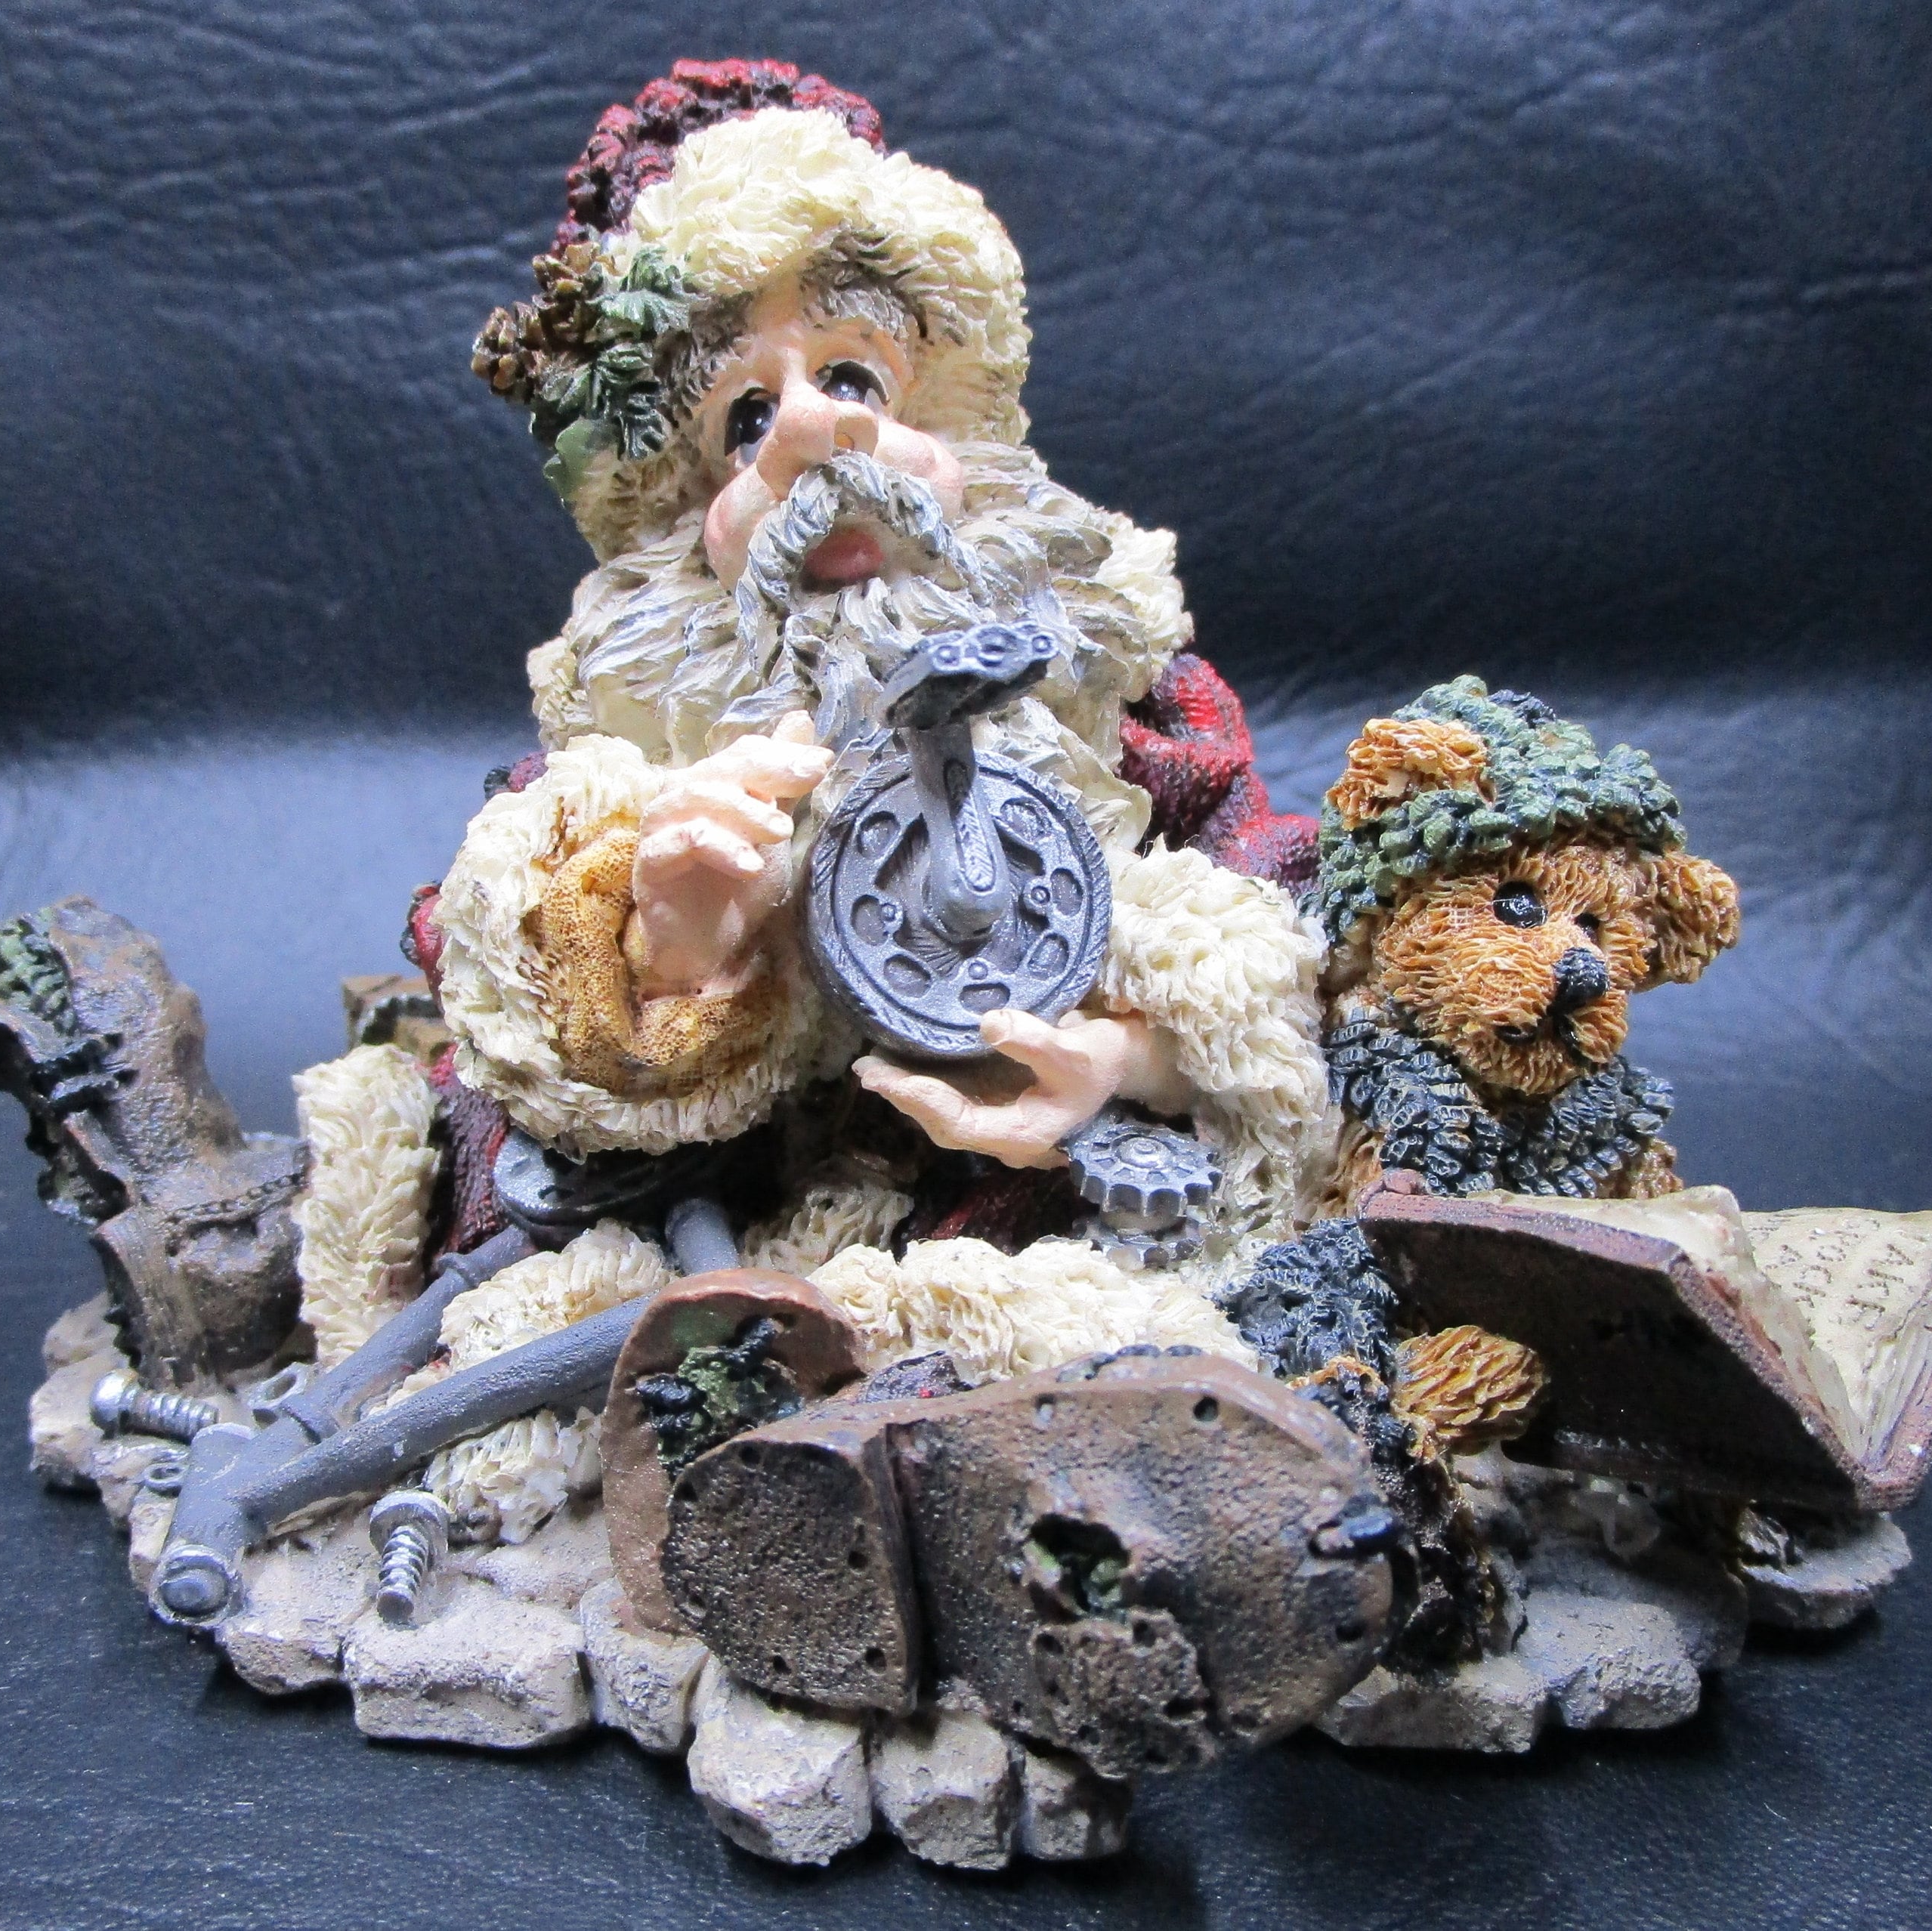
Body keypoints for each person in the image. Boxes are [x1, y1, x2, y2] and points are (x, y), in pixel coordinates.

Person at [297, 61, 1336, 1540]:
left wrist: (1134, 1062)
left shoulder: (1115, 701)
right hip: (763, 1204)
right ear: (685, 513)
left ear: (943, 411)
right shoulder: (647, 744)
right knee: (629, 1304)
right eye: (743, 420)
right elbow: (504, 999)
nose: (812, 438)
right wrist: (664, 935)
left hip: (1040, 1192)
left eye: (854, 378)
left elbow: (1262, 891)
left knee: (1125, 1301)